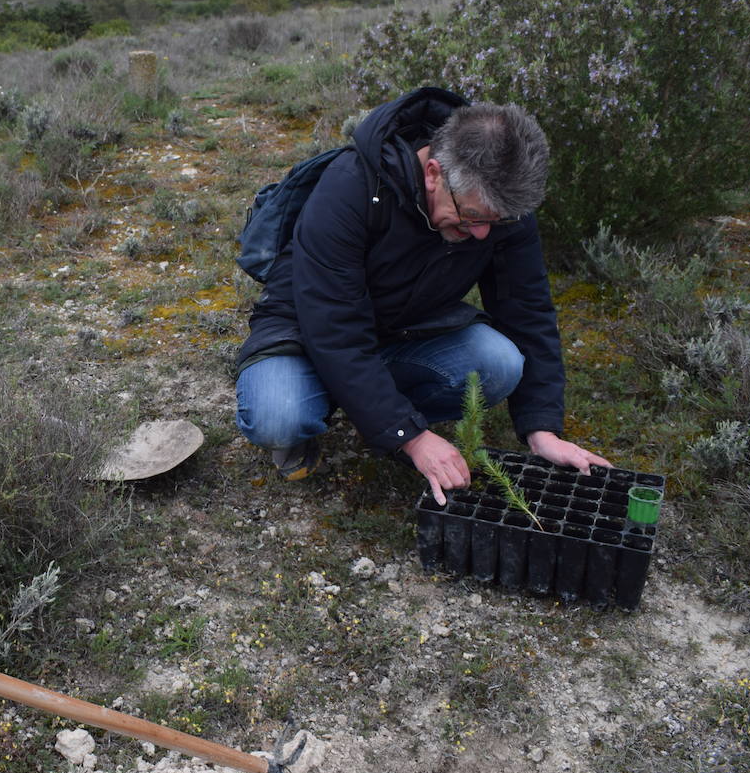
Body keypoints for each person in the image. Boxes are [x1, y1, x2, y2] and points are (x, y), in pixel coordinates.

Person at [235, 88, 609, 504]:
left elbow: (527, 309)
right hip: (305, 329)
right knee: (278, 416)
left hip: (405, 330)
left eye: (496, 222)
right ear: (433, 173)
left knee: (500, 362)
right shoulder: (350, 188)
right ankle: (357, 417)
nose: (483, 233)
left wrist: (542, 429)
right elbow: (334, 327)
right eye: (472, 218)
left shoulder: (498, 204)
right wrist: (409, 437)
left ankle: (380, 415)